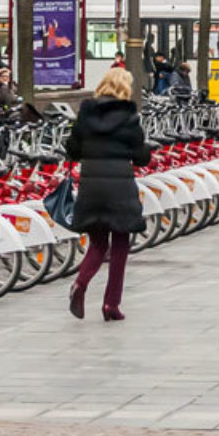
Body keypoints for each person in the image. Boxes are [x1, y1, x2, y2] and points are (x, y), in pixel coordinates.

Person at [66, 68, 153, 321]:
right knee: (121, 244)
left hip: (91, 184)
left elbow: (73, 148)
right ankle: (110, 304)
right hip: (119, 185)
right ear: (125, 88)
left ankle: (80, 283)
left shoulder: (85, 113)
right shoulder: (129, 116)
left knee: (98, 242)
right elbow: (140, 156)